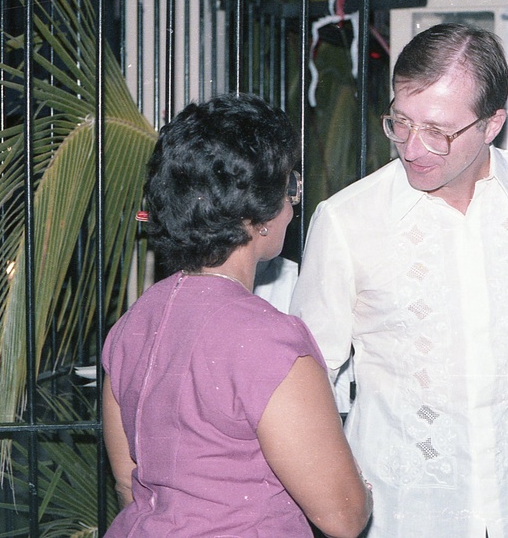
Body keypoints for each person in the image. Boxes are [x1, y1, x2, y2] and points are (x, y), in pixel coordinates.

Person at [291, 23, 508, 537]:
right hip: (403, 516)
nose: (412, 148)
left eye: (438, 131)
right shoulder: (347, 220)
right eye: (401, 122)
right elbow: (307, 384)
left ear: (492, 124)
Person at [101, 94, 372, 538]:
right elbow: (343, 516)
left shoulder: (133, 324)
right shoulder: (270, 341)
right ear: (256, 216)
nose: (291, 208)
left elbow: (128, 483)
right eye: (288, 189)